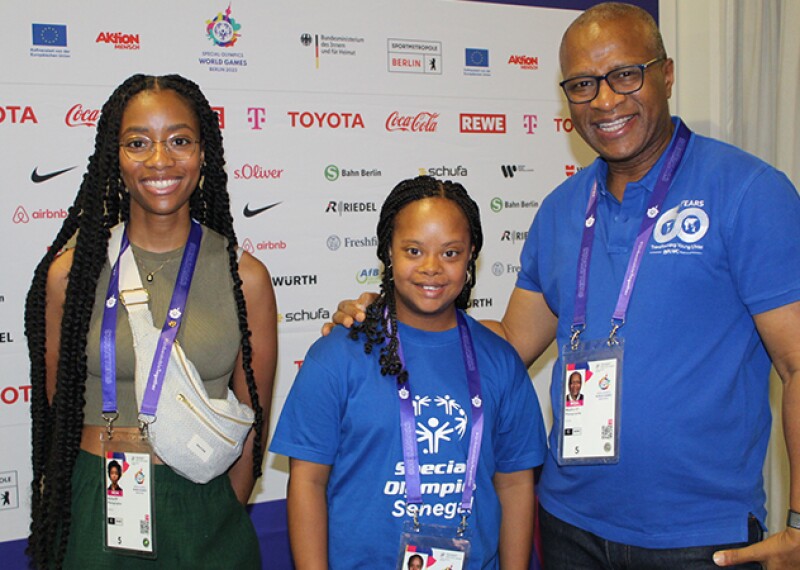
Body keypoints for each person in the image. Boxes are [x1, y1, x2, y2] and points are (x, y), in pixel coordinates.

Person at [327, 3, 800, 568]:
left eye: (625, 74)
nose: (604, 100)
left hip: (699, 538)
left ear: (666, 73)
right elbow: (506, 341)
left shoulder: (749, 192)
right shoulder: (561, 210)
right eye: (582, 84)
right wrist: (390, 323)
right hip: (569, 525)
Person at [25, 73, 277, 569]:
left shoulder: (245, 277)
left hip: (205, 507)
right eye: (138, 142)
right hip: (99, 501)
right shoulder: (69, 277)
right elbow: (60, 408)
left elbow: (254, 420)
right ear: (113, 158)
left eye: (179, 140)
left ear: (204, 153)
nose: (160, 160)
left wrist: (226, 503)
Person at [271, 176, 547, 569]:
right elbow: (307, 482)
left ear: (471, 258)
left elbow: (515, 484)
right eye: (414, 250)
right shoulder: (335, 357)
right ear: (388, 252)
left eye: (451, 253)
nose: (431, 268)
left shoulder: (500, 361)